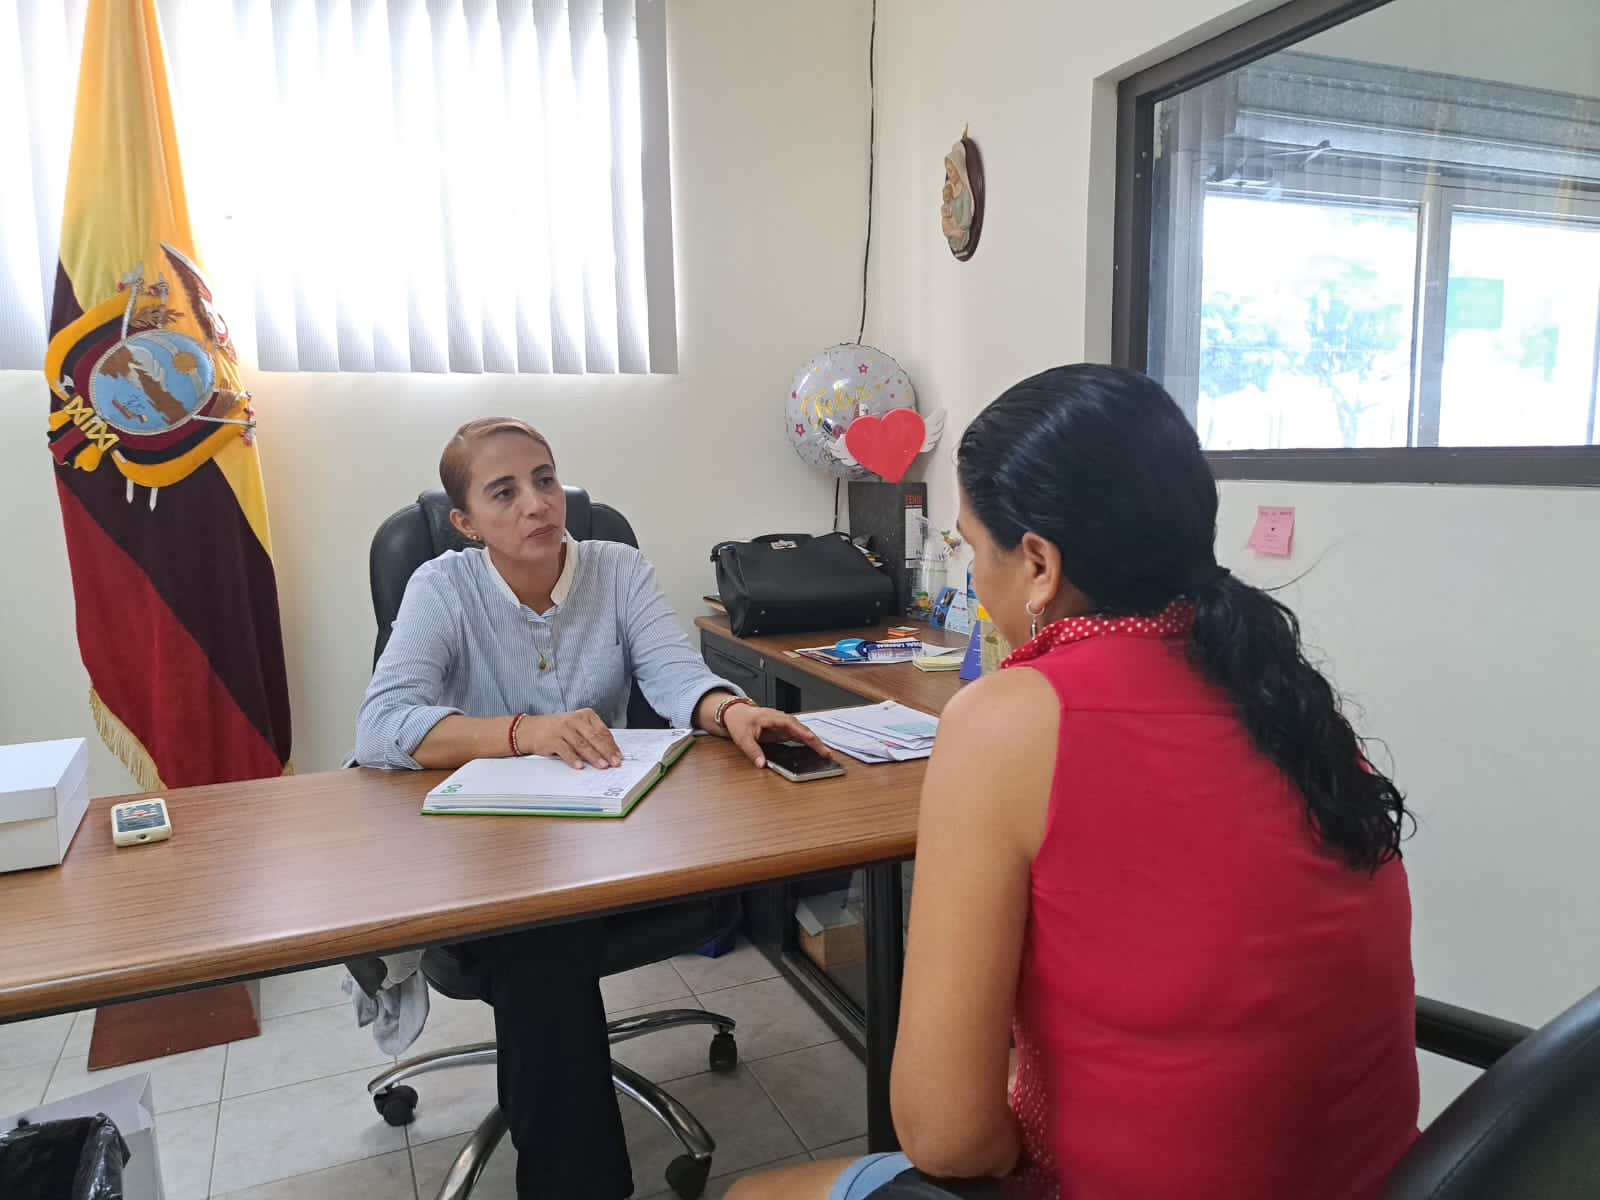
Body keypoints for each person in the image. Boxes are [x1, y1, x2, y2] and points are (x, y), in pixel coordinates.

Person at [729, 365, 1419, 1200]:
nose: (972, 577)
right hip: (1383, 1179)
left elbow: (947, 1138)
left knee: (749, 1195)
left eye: (970, 549)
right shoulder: (1288, 695)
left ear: (1039, 564)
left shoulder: (1010, 719)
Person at [355, 416, 829, 1199]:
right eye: (504, 492)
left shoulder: (617, 567)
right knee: (539, 945)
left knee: (544, 952)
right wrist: (523, 732)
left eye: (544, 479)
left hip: (606, 840)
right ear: (466, 523)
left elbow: (674, 674)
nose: (537, 503)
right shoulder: (442, 586)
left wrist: (731, 710)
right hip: (487, 855)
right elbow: (381, 728)